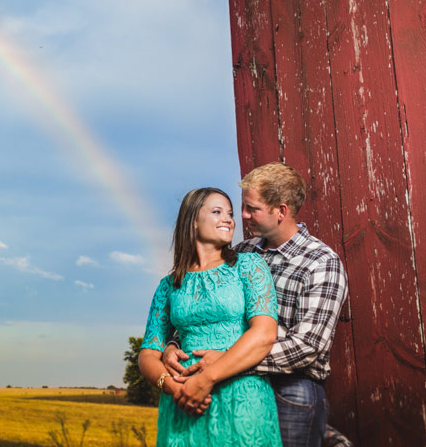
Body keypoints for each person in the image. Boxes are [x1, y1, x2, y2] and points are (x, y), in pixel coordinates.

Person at [164, 163, 350, 447]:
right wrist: (174, 344)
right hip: (231, 386)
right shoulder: (242, 252)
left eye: (252, 209)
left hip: (290, 390)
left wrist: (228, 361)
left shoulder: (321, 262)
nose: (243, 216)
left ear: (281, 212)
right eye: (242, 207)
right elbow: (208, 309)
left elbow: (309, 346)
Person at [138, 187, 282, 446]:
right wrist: (174, 388)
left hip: (241, 398)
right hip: (182, 403)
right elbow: (148, 354)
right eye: (217, 212)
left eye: (229, 213)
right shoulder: (169, 285)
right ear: (193, 221)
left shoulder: (249, 266)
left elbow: (264, 334)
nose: (228, 218)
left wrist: (205, 379)